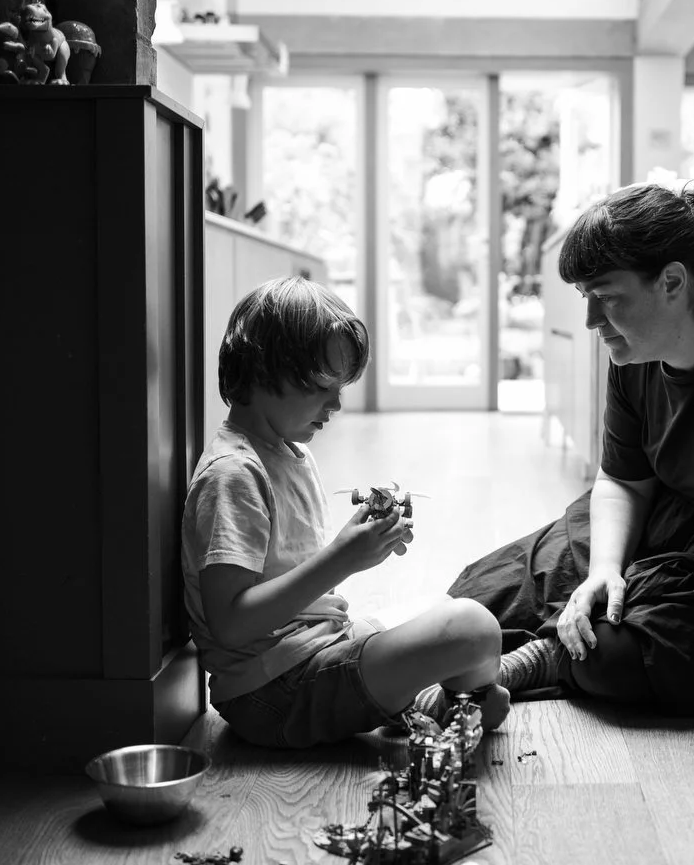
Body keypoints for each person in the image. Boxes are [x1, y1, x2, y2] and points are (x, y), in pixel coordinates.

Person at [448, 183, 694, 773]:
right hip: (661, 518)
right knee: (477, 596)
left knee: (612, 653)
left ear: (672, 282)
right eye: (585, 297)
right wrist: (606, 569)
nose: (590, 320)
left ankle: (535, 661)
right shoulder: (635, 349)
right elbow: (620, 481)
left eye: (605, 297)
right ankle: (529, 653)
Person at [183, 276, 511, 749]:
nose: (336, 404)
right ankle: (458, 703)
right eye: (321, 387)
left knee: (451, 607)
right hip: (273, 691)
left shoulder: (286, 452)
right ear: (260, 372)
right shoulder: (233, 474)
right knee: (473, 628)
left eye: (340, 387)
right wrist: (342, 557)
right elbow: (231, 624)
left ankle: (445, 698)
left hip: (313, 654)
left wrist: (366, 541)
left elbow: (290, 573)